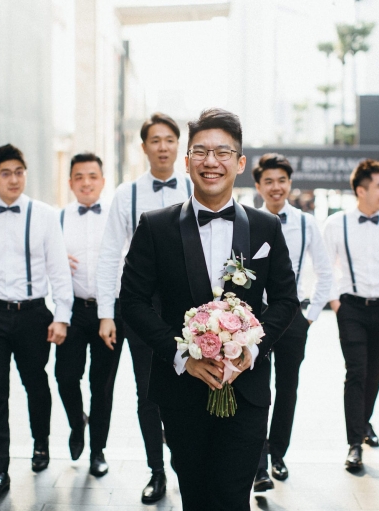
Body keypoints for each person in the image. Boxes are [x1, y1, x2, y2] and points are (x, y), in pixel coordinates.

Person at [120, 108, 300, 510]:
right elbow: (131, 301)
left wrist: (250, 351)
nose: (210, 162)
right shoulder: (155, 226)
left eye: (222, 152)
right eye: (200, 152)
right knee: (197, 496)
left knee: (233, 495)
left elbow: (286, 300)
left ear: (239, 162)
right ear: (187, 162)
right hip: (182, 391)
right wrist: (183, 354)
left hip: (247, 387)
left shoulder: (265, 227)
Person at [96, 112, 191, 503]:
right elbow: (108, 254)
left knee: (189, 389)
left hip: (189, 305)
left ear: (178, 145)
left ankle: (188, 466)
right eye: (156, 140)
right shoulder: (127, 194)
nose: (163, 146)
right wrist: (106, 312)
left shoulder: (196, 186)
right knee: (148, 392)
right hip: (141, 307)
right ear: (144, 147)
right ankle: (157, 471)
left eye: (170, 139)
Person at [0, 144, 73, 502]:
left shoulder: (45, 215)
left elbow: (59, 269)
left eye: (19, 171)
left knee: (36, 383)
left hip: (33, 314)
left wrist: (62, 317)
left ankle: (41, 442)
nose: (13, 179)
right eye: (5, 173)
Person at [322, 159, 379, 471]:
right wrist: (335, 302)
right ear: (361, 190)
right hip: (351, 308)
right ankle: (354, 442)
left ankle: (364, 422)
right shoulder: (336, 224)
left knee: (375, 372)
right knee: (357, 372)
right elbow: (325, 267)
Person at [251, 153, 333, 491]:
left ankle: (278, 453)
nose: (275, 187)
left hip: (293, 318)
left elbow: (325, 273)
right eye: (268, 181)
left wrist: (309, 316)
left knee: (287, 388)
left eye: (281, 180)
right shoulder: (247, 219)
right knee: (256, 390)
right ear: (258, 186)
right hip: (254, 319)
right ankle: (257, 464)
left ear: (289, 184)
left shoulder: (305, 222)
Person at [56, 153, 124, 476]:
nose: (86, 183)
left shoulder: (117, 217)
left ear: (102, 180)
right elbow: (45, 267)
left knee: (103, 384)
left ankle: (98, 450)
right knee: (65, 376)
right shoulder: (57, 220)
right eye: (79, 177)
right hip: (72, 311)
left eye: (92, 176)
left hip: (111, 311)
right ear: (70, 182)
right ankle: (76, 421)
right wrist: (54, 264)